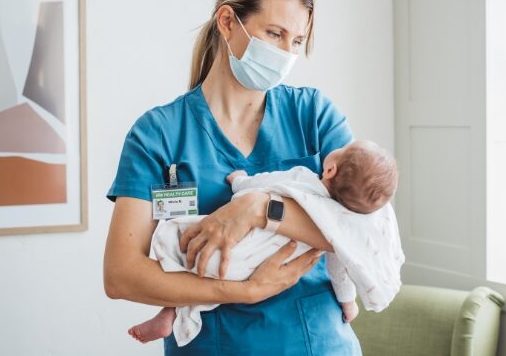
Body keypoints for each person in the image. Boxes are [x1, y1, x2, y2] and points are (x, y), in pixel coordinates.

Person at [103, 0, 368, 354]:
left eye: (297, 41)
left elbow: (363, 227)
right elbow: (121, 275)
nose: (286, 54)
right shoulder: (158, 135)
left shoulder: (314, 115)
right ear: (227, 22)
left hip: (315, 342)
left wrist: (260, 209)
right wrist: (242, 291)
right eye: (274, 34)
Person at [128, 140, 402, 346]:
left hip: (230, 251)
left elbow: (262, 184)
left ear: (330, 169)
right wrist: (348, 302)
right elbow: (341, 266)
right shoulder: (340, 227)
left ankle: (170, 310)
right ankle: (172, 314)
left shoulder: (303, 176)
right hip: (256, 267)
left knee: (186, 258)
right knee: (207, 277)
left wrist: (241, 183)